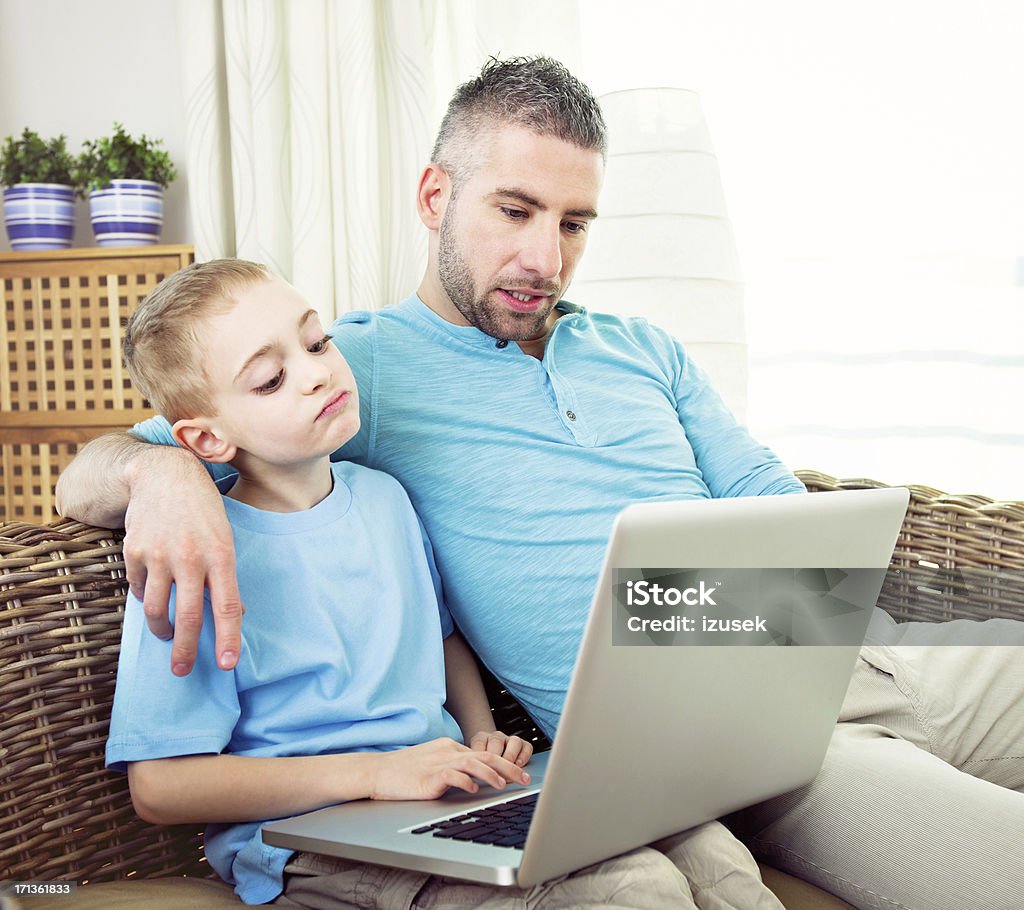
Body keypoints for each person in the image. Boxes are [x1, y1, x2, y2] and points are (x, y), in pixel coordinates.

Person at [59, 56, 1024, 910]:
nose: (545, 258)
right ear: (436, 196)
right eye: (515, 211)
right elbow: (99, 468)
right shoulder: (359, 374)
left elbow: (775, 501)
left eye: (574, 222)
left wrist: (777, 609)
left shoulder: (640, 346)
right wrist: (160, 474)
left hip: (866, 656)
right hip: (737, 750)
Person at [107, 258, 779, 910]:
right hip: (312, 843)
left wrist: (477, 734)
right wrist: (376, 774)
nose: (316, 374)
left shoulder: (386, 499)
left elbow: (443, 634)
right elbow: (162, 789)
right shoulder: (191, 559)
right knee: (634, 890)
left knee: (707, 849)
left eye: (316, 342)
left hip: (439, 792)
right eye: (270, 380)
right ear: (203, 439)